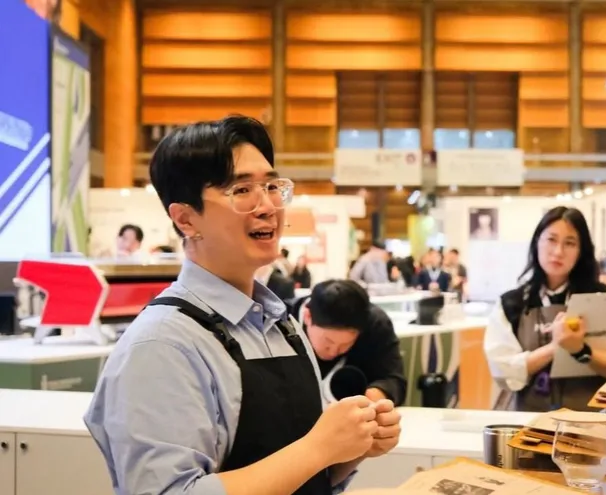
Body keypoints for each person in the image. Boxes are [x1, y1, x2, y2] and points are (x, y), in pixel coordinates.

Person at [83, 115, 401, 495]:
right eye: (242, 189)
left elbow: (297, 475)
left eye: (271, 186)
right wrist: (317, 449)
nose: (267, 206)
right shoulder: (161, 345)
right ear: (186, 219)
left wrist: (350, 447)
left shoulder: (282, 326)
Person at [482, 206, 606, 412]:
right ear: (536, 242)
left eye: (570, 243)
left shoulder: (603, 298)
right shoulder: (511, 304)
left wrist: (581, 350)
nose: (558, 252)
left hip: (593, 420)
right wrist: (555, 347)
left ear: (581, 251)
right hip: (529, 419)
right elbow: (503, 369)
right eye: (551, 240)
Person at [290, 279, 407, 406]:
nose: (334, 351)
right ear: (307, 317)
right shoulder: (281, 322)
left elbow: (393, 379)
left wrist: (371, 398)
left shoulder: (376, 325)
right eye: (328, 341)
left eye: (346, 344)